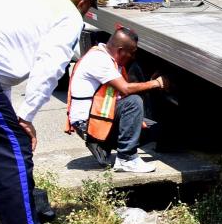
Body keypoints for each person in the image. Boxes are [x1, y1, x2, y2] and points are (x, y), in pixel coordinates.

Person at [0, 0, 113, 224]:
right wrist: (26, 118)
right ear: (83, 3)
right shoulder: (68, 15)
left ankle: (27, 206)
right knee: (12, 148)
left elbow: (0, 60)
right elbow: (49, 70)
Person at [67, 26, 167, 174]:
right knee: (133, 102)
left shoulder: (109, 59)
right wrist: (157, 83)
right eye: (131, 53)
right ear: (120, 50)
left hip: (99, 117)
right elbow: (125, 89)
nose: (133, 57)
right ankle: (126, 159)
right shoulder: (99, 60)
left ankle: (103, 145)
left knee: (156, 130)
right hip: (88, 122)